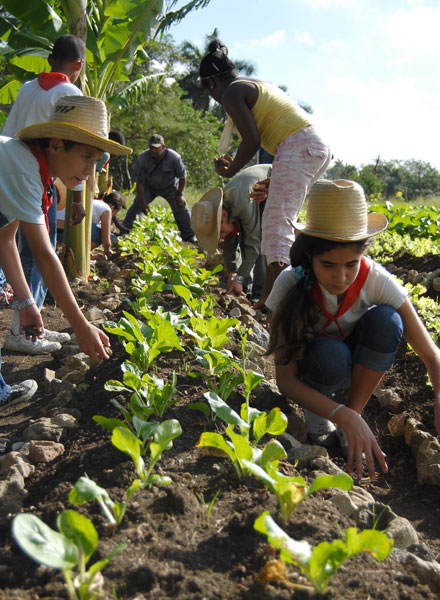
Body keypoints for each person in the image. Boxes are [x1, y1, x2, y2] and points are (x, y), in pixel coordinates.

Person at [265, 179, 440, 480]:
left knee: (388, 321)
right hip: (318, 366)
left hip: (355, 363)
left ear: (363, 254)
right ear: (310, 257)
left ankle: (354, 414)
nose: (341, 276)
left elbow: (431, 354)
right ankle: (322, 421)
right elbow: (286, 382)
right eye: (328, 265)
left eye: (351, 264)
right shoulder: (289, 285)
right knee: (329, 354)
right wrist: (339, 414)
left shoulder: (376, 280)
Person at [0, 94, 131, 411]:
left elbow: (5, 237)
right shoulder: (21, 167)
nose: (90, 170)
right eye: (86, 156)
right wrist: (81, 326)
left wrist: (27, 300)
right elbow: (44, 255)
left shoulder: (27, 166)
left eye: (97, 161)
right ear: (56, 145)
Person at [199, 39, 332, 308]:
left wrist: (231, 169)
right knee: (277, 223)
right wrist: (275, 180)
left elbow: (252, 140)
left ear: (212, 83)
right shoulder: (250, 84)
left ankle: (279, 302)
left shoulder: (232, 93)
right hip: (306, 148)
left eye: (210, 92)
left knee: (276, 226)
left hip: (298, 147)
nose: (216, 99)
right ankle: (274, 297)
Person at [2, 34, 87, 354]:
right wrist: (77, 196)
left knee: (16, 243)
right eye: (89, 160)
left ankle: (26, 322)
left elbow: (9, 130)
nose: (89, 168)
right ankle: (25, 331)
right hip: (30, 176)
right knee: (41, 249)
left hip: (15, 170)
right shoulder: (71, 92)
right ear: (78, 65)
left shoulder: (27, 88)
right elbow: (75, 146)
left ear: (51, 59)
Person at [191, 164, 271, 300]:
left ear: (223, 215)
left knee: (262, 240)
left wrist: (239, 278)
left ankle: (259, 294)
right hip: (257, 196)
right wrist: (233, 272)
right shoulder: (226, 210)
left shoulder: (241, 204)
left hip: (277, 186)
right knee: (241, 238)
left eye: (220, 232)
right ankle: (245, 286)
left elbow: (253, 245)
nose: (221, 237)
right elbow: (230, 243)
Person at [122, 134, 195, 242]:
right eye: (151, 147)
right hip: (149, 187)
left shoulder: (174, 157)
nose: (154, 150)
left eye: (156, 147)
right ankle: (125, 231)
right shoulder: (143, 158)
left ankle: (189, 235)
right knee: (137, 205)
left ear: (163, 147)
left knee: (181, 207)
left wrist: (180, 194)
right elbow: (139, 182)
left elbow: (182, 177)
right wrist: (142, 202)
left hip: (170, 187)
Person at [91, 191, 128, 258]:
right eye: (115, 213)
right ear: (112, 207)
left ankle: (87, 254)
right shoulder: (107, 209)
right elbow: (106, 241)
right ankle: (83, 255)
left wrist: (92, 256)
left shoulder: (97, 203)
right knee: (100, 232)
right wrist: (107, 251)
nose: (113, 215)